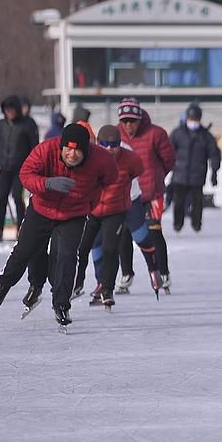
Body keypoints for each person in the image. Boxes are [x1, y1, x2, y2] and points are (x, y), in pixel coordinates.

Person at [0, 123, 118, 327]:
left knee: (66, 257)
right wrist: (47, 183)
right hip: (41, 209)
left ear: (86, 150)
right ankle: (2, 286)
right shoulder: (46, 149)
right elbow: (26, 174)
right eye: (68, 149)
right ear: (61, 147)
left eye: (78, 150)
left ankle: (61, 305)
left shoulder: (101, 159)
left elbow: (111, 178)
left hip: (74, 214)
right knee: (24, 251)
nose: (72, 154)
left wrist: (90, 199)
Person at [73, 124, 146, 308]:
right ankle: (77, 282)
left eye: (114, 145)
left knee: (110, 248)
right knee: (82, 247)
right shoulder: (90, 156)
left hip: (115, 211)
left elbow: (139, 170)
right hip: (93, 209)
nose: (109, 149)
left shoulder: (130, 159)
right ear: (98, 143)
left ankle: (107, 289)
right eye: (105, 144)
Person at [116, 97, 175, 293]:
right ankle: (126, 273)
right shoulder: (116, 135)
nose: (128, 125)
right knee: (124, 232)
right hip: (126, 196)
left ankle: (163, 272)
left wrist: (157, 177)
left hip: (152, 194)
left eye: (132, 121)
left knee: (154, 231)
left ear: (140, 119)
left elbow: (168, 160)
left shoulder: (156, 134)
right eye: (124, 121)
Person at [0, 95, 39, 242]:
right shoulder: (1, 124)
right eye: (7, 110)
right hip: (5, 167)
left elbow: (34, 146)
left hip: (21, 168)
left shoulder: (27, 124)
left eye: (12, 110)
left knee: (17, 197)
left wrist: (33, 166)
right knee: (1, 198)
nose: (9, 113)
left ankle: (21, 229)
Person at [169, 103, 221, 231]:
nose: (193, 122)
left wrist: (214, 171)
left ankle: (196, 223)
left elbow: (214, 153)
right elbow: (168, 151)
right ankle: (177, 223)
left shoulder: (206, 136)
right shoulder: (177, 133)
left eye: (196, 120)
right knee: (179, 201)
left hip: (197, 174)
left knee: (197, 202)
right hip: (180, 174)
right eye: (191, 119)